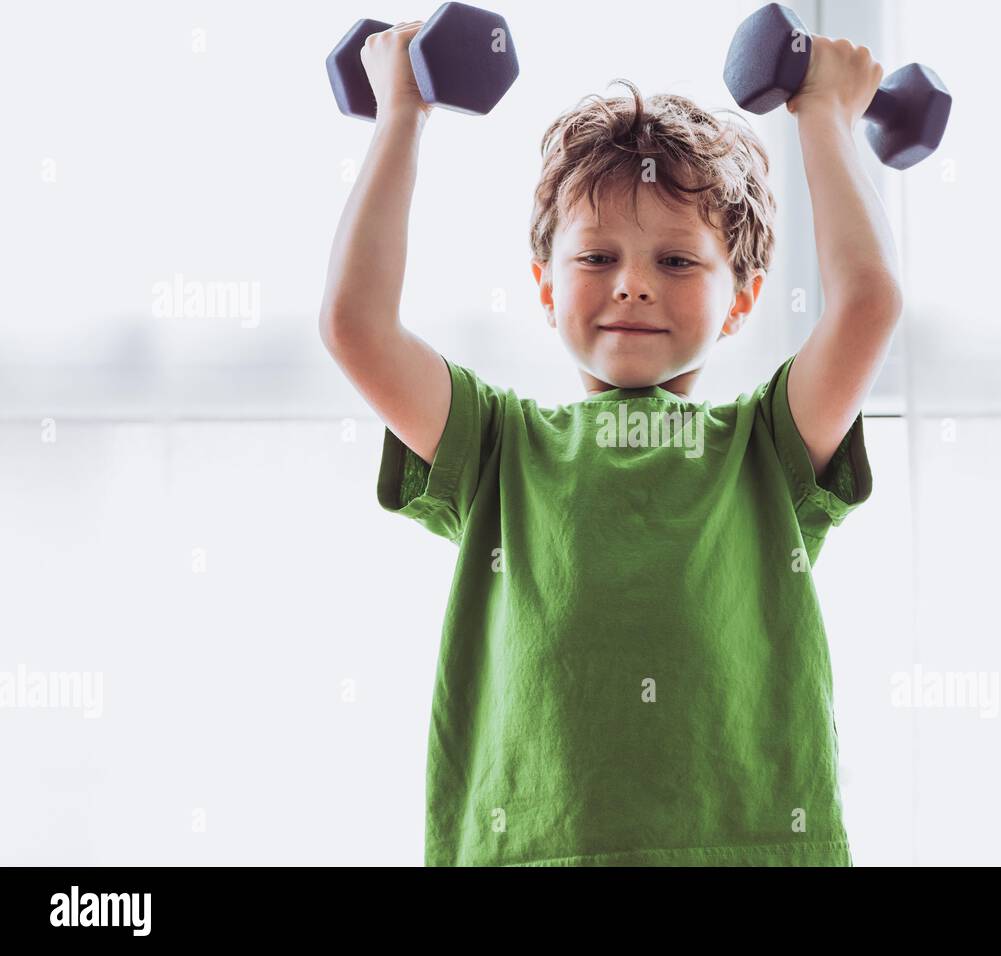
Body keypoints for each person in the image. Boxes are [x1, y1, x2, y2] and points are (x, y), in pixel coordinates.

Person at [320, 22, 900, 866]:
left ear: (740, 301)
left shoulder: (768, 448)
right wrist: (401, 112)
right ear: (545, 288)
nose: (632, 281)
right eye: (596, 255)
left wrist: (824, 112)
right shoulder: (497, 448)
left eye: (676, 261)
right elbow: (355, 326)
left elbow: (867, 306)